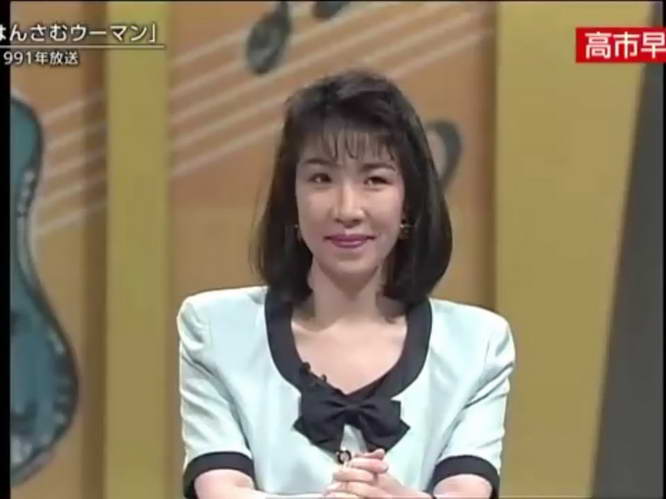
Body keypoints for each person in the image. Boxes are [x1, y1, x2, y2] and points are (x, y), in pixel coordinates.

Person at [177, 69, 516, 499]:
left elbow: (466, 492)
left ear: (408, 200)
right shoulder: (215, 330)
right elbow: (221, 491)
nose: (347, 209)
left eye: (375, 179)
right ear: (291, 198)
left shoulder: (478, 345)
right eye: (321, 178)